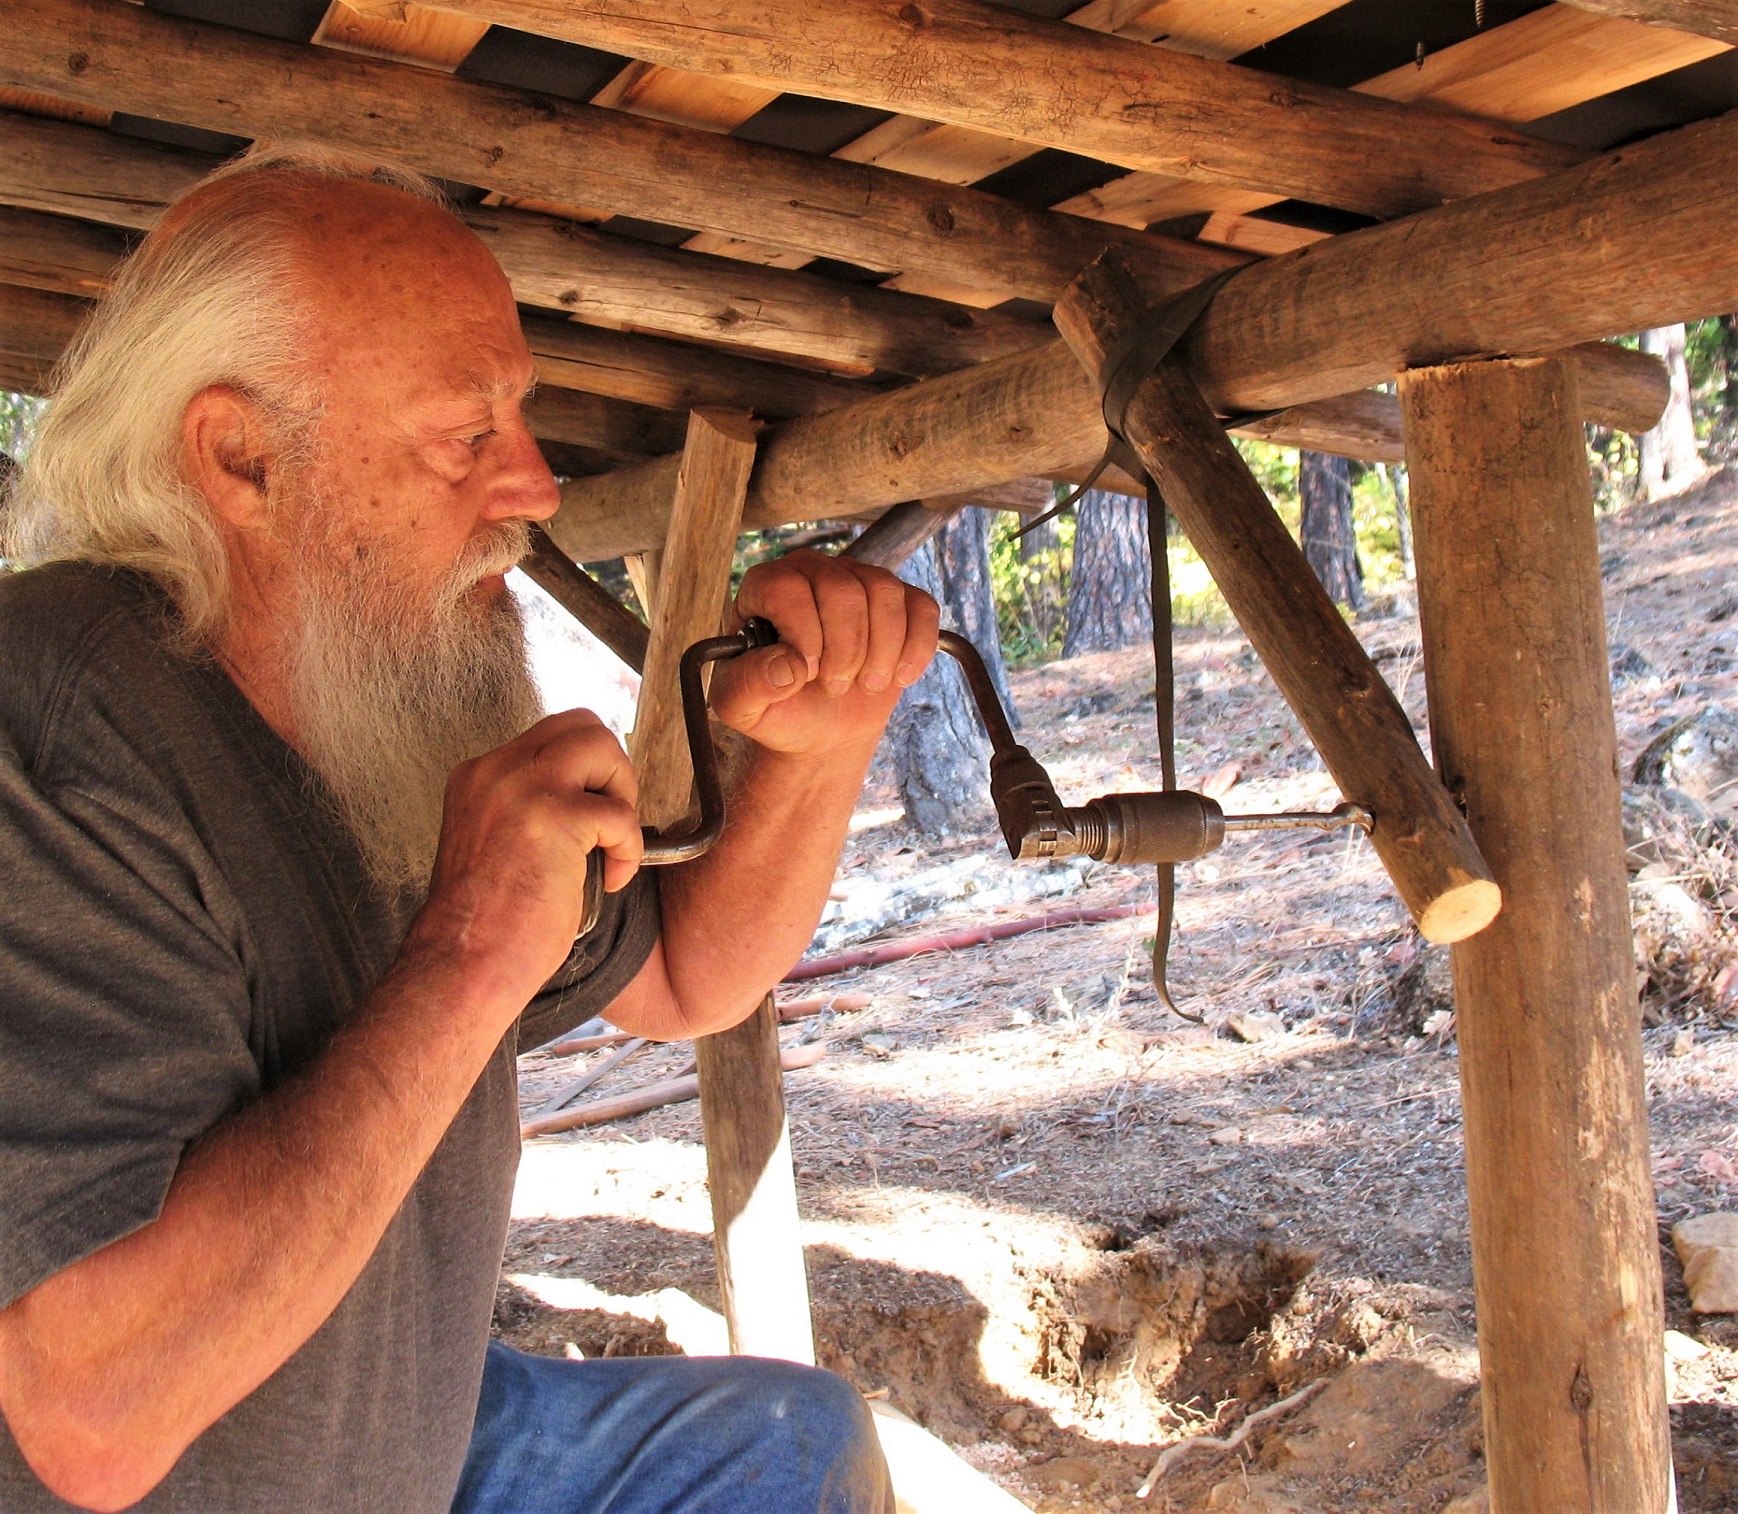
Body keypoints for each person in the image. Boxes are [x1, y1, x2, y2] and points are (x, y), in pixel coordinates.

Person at [0, 146, 938, 1513]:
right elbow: (93, 1412)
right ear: (242, 458)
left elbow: (683, 971)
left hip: (396, 1449)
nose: (536, 486)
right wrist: (469, 947)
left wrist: (822, 738)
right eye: (466, 435)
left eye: (520, 417)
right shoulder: (61, 717)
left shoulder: (383, 690)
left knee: (780, 1444)